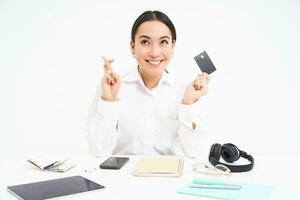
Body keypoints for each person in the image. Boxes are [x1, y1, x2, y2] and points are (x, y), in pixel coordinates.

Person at [87, 10, 210, 158]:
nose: (154, 52)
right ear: (133, 47)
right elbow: (100, 152)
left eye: (163, 42)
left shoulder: (185, 90)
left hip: (169, 177)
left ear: (173, 46)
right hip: (123, 178)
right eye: (145, 42)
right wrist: (109, 100)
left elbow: (194, 153)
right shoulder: (112, 86)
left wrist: (188, 103)